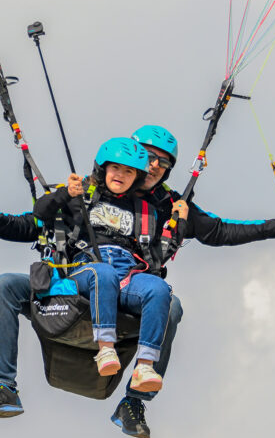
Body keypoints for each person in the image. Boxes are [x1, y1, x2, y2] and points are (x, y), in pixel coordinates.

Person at [0, 125, 275, 438]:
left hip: (127, 293)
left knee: (171, 306)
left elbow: (219, 231)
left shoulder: (167, 206)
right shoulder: (84, 193)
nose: (154, 166)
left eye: (163, 163)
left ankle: (135, 401)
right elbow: (32, 225)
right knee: (5, 284)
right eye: (148, 157)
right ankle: (1, 386)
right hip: (75, 287)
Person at [31, 137, 188, 390]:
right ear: (103, 169)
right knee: (103, 273)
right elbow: (40, 212)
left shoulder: (145, 210)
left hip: (126, 274)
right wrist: (66, 193)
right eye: (115, 168)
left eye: (129, 172)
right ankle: (105, 348)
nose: (120, 175)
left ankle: (144, 366)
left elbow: (157, 257)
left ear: (137, 178)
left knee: (159, 289)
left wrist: (179, 225)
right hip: (86, 270)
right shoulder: (82, 195)